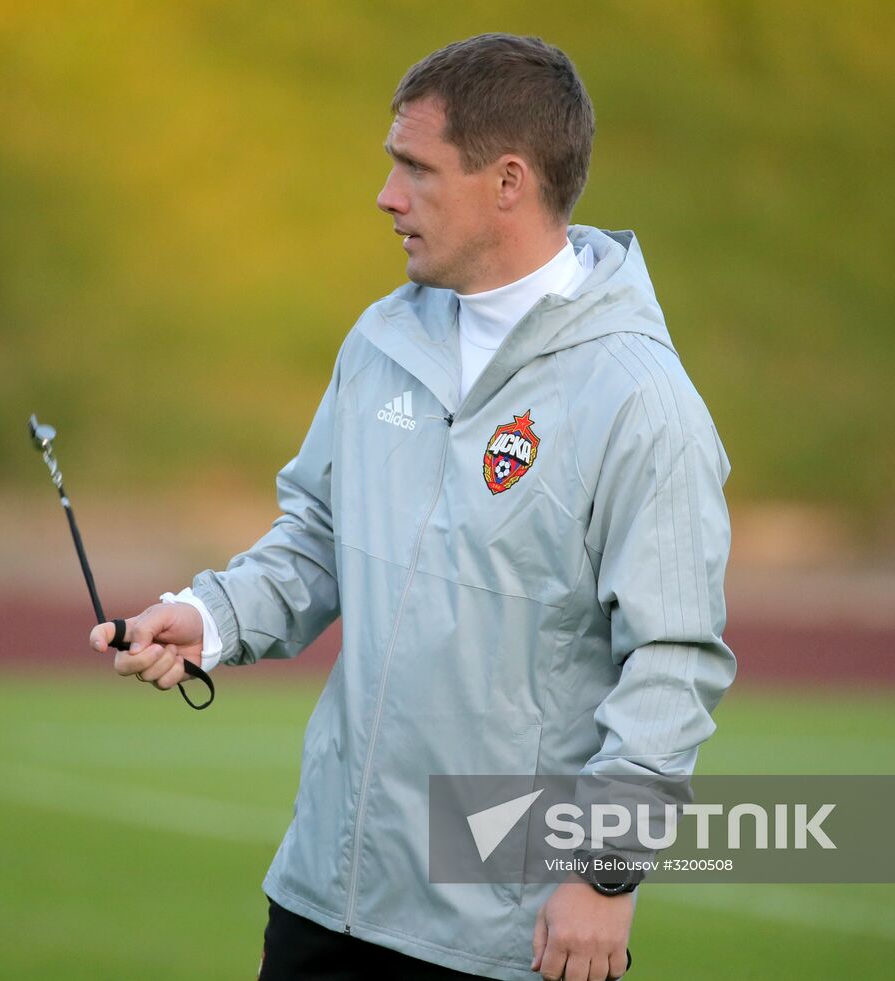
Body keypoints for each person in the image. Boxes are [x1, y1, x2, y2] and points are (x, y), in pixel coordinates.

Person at [90, 33, 734, 981]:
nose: (386, 196)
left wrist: (604, 875)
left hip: (504, 935)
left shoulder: (640, 399)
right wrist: (210, 618)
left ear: (508, 181)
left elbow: (671, 662)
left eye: (415, 169)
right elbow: (317, 536)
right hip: (327, 894)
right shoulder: (383, 335)